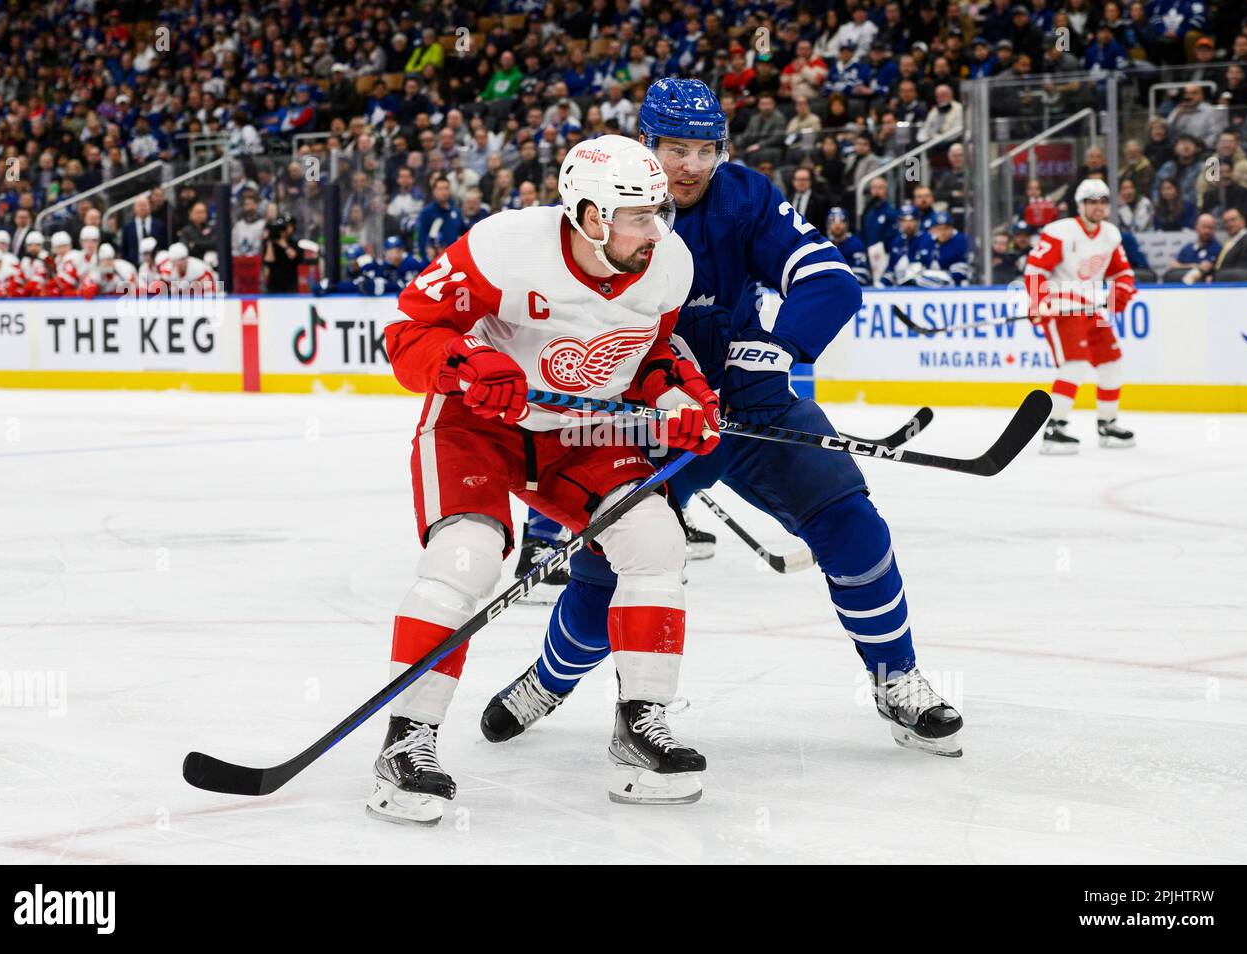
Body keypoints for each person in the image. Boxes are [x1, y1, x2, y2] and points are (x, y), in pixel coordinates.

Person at [480, 79, 964, 764]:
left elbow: (829, 279)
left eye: (706, 149)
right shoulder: (607, 206)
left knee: (852, 522)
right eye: (676, 149)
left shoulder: (746, 196)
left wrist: (783, 349)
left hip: (750, 403)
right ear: (645, 145)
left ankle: (896, 681)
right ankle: (548, 680)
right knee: (607, 571)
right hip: (653, 417)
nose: (692, 167)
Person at [371, 134, 721, 824]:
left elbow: (651, 358)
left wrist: (683, 403)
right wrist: (468, 361)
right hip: (477, 423)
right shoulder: (504, 247)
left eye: (658, 212)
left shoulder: (667, 265)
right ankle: (406, 739)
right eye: (638, 215)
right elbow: (409, 335)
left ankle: (639, 728)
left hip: (577, 433)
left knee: (655, 540)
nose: (657, 228)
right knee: (464, 557)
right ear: (590, 217)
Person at [1024, 180, 1137, 454]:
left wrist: (1118, 294)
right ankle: (1055, 429)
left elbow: (1121, 271)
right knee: (1075, 364)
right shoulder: (1060, 232)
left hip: (1091, 309)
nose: (1098, 206)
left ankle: (1107, 424)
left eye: (1102, 201)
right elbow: (1035, 270)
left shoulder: (1110, 234)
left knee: (1112, 362)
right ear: (1080, 205)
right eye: (1092, 201)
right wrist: (1039, 303)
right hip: (1062, 308)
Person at [1212, 207, 1247, 281]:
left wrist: (1216, 277)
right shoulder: (1229, 243)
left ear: (1242, 221)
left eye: (1233, 220)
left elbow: (1245, 273)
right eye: (1226, 222)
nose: (1229, 224)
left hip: (1238, 288)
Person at [826, 206, 871, 285]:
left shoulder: (856, 244)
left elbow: (862, 276)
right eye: (832, 221)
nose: (837, 225)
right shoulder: (824, 245)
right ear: (828, 225)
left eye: (841, 221)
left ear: (847, 224)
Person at [262, 216, 301, 293]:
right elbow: (268, 261)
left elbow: (294, 256)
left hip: (290, 284)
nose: (282, 232)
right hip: (274, 285)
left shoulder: (294, 243)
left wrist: (284, 245)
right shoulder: (271, 244)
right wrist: (269, 240)